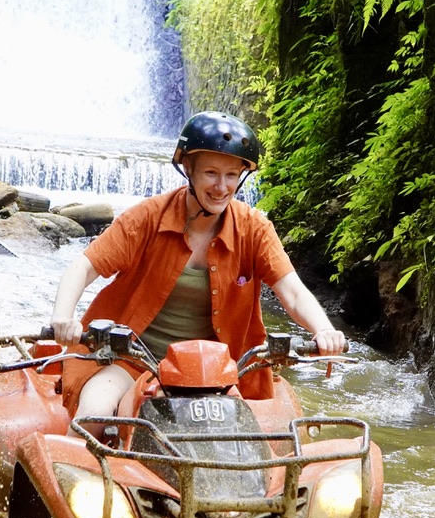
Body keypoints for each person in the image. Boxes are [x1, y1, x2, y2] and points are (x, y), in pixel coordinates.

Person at [50, 111, 347, 431]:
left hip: (217, 373)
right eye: (211, 173)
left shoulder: (255, 229)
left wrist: (323, 331)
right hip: (132, 361)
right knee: (93, 415)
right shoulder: (147, 218)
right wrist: (62, 319)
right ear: (188, 168)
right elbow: (83, 267)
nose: (222, 186)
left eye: (232, 175)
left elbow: (292, 291)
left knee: (260, 445)